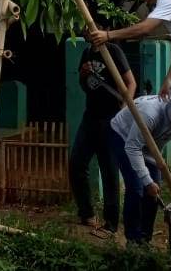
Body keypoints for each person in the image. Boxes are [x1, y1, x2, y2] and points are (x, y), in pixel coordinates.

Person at [107, 85, 171, 244]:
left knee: (154, 193)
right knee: (137, 187)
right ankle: (133, 241)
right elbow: (133, 147)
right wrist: (147, 181)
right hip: (125, 137)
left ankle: (145, 239)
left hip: (150, 145)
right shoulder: (150, 114)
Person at [69, 41, 136, 237]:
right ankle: (87, 213)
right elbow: (85, 86)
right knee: (76, 163)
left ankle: (111, 223)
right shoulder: (87, 52)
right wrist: (83, 74)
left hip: (111, 118)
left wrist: (124, 110)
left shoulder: (113, 51)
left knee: (109, 170)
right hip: (90, 116)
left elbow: (131, 83)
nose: (88, 32)